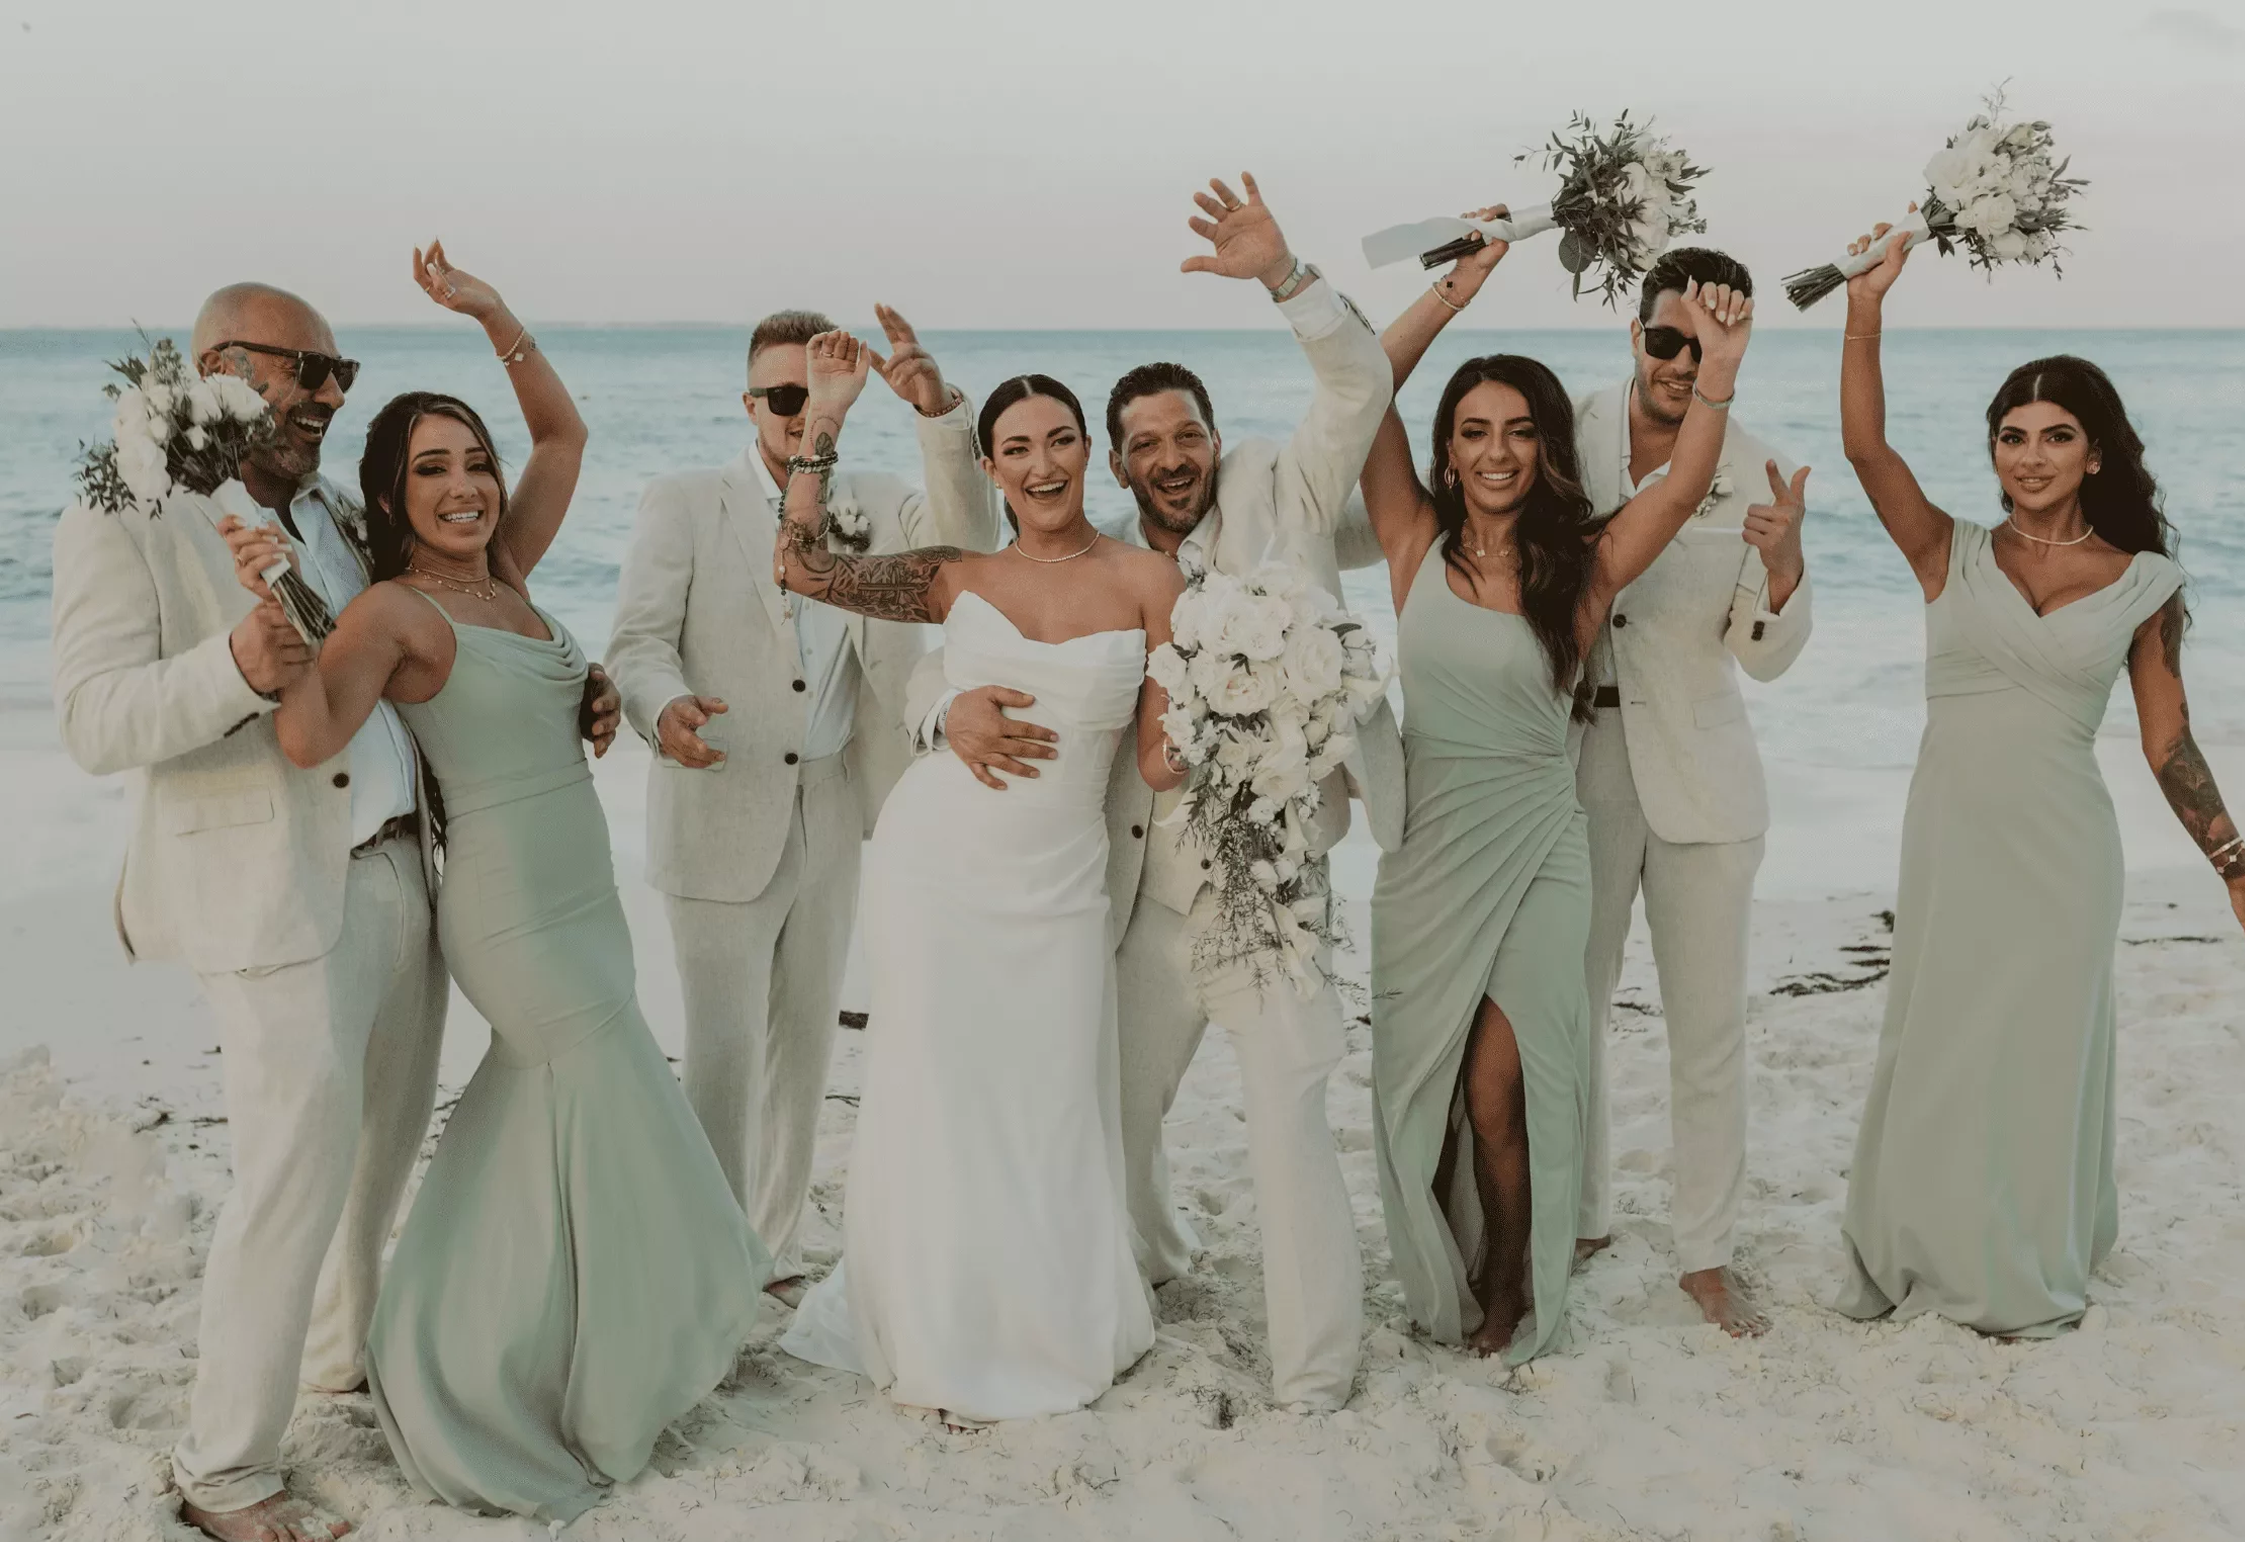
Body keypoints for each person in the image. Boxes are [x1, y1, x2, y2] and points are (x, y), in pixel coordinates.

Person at [53, 272, 610, 1542]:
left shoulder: (334, 516)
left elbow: (450, 629)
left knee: (375, 1163)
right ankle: (225, 1468)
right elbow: (93, 719)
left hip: (408, 874)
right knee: (289, 1175)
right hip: (267, 891)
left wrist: (573, 688)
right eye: (304, 371)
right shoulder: (131, 518)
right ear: (213, 367)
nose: (325, 396)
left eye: (338, 375)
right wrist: (234, 667)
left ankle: (339, 1362)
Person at [221, 243, 762, 1523]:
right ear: (391, 497)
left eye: (474, 464)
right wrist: (281, 616)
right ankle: (482, 1373)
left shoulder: (505, 574)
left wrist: (489, 312)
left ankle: (508, 1339)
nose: (466, 486)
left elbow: (563, 434)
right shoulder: (400, 612)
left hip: (586, 891)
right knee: (626, 1111)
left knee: (549, 1133)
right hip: (512, 914)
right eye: (433, 471)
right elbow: (305, 740)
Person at [904, 174, 1401, 1412]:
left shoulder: (1278, 495)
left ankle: (1315, 1372)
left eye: (1187, 436)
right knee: (1105, 1121)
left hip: (1272, 887)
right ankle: (1130, 1281)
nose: (1170, 458)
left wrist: (1286, 275)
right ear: (1115, 463)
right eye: (1145, 445)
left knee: (1287, 1125)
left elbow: (1358, 388)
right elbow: (967, 625)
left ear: (1214, 440)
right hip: (1135, 891)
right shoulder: (1108, 567)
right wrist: (935, 710)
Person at [1832, 220, 2244, 1337]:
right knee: (1940, 1036)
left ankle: (2020, 1256)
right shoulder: (1946, 551)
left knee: (2035, 1053)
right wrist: (1867, 302)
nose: (2028, 455)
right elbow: (1866, 449)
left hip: (2063, 852)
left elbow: (2169, 743)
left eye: (2054, 435)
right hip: (1953, 836)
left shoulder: (2141, 581)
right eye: (2010, 435)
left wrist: (2232, 866)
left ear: (2094, 453)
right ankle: (1923, 1243)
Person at [1358, 226, 1755, 1362]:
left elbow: (1682, 485)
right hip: (1427, 848)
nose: (1497, 451)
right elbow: (1363, 383)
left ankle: (1505, 1283)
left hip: (1540, 844)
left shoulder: (1577, 566)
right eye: (1474, 431)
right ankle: (1445, 1257)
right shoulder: (1409, 540)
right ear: (1445, 450)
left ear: (1544, 449)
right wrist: (1454, 290)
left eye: (1520, 431)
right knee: (1417, 1088)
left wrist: (1713, 380)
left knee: (1499, 1089)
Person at [776, 349, 1184, 1426]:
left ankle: (1044, 1317)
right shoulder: (957, 576)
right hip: (936, 867)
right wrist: (823, 424)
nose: (1041, 464)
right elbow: (803, 568)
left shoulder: (1150, 582)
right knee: (941, 1091)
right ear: (992, 469)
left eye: (1059, 440)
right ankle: (936, 1315)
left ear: (1089, 451)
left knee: (1047, 1097)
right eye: (1016, 449)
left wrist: (1259, 710)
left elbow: (1156, 760)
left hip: (1056, 885)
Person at [604, 305, 996, 1294]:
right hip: (717, 799)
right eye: (785, 396)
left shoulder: (875, 492)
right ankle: (704, 1259)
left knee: (804, 1050)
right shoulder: (684, 501)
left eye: (821, 393)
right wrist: (662, 711)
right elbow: (638, 642)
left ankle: (765, 1250)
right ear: (751, 404)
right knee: (723, 1060)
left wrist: (936, 410)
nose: (802, 410)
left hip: (835, 806)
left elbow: (969, 545)